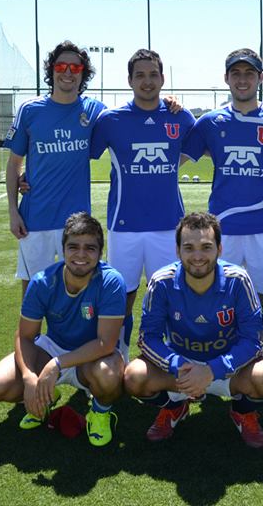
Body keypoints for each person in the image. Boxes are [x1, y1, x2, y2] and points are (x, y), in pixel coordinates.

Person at [182, 48, 263, 360]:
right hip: (221, 228)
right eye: (236, 73)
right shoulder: (209, 122)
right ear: (226, 78)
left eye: (249, 73)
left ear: (260, 78)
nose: (243, 79)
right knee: (215, 294)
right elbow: (179, 156)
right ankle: (216, 359)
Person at [124, 212, 263, 448]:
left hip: (228, 367)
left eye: (206, 247)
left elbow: (253, 341)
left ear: (219, 249)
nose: (197, 256)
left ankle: (242, 412)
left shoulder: (238, 279)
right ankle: (175, 407)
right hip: (181, 370)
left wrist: (212, 370)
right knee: (134, 377)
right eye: (189, 248)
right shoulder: (162, 281)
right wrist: (178, 365)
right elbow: (148, 338)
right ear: (178, 251)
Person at [0, 212, 126, 447]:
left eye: (90, 248)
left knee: (108, 375)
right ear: (63, 249)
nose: (81, 255)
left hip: (93, 355)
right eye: (73, 247)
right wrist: (30, 377)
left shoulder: (111, 281)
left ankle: (100, 412)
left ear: (100, 253)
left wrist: (56, 365)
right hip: (53, 347)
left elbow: (105, 343)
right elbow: (25, 336)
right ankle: (46, 397)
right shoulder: (42, 282)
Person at [89, 48, 196, 351]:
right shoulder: (111, 119)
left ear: (162, 79)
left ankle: (171, 359)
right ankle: (117, 357)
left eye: (153, 75)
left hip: (169, 225)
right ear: (130, 80)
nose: (147, 81)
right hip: (125, 225)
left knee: (170, 295)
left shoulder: (181, 117)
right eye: (140, 75)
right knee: (122, 295)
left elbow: (192, 151)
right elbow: (82, 155)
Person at [3, 41, 106, 298]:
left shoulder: (94, 110)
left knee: (80, 288)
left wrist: (169, 103)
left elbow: (129, 117)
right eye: (61, 66)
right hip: (35, 218)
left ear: (83, 73)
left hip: (77, 222)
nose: (68, 72)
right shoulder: (30, 110)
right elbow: (14, 164)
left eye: (75, 67)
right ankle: (30, 328)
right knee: (33, 291)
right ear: (52, 70)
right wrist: (13, 212)